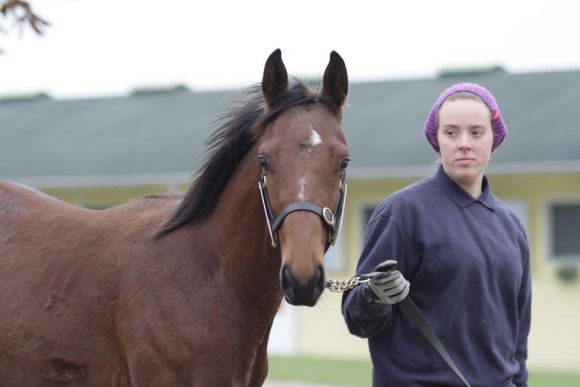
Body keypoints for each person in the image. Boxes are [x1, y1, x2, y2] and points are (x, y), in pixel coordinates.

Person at [341, 83, 531, 386]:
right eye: (452, 132)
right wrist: (373, 296)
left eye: (476, 132)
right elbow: (356, 317)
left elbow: (518, 332)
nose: (464, 143)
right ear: (437, 139)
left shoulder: (511, 226)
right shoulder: (402, 213)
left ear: (494, 137)